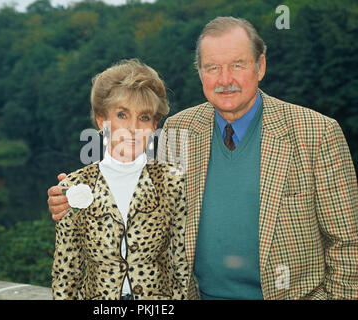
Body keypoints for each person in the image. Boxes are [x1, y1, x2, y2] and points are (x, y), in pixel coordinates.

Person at [48, 17, 358, 300]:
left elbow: (349, 243)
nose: (225, 79)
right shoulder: (180, 128)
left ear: (260, 66)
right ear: (200, 72)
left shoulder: (317, 133)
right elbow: (136, 196)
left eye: (237, 65)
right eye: (212, 68)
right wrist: (74, 198)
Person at [51, 59, 189, 300]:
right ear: (102, 120)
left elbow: (182, 267)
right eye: (122, 114)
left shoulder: (173, 182)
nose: (133, 128)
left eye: (144, 118)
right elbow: (66, 272)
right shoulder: (73, 186)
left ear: (155, 125)